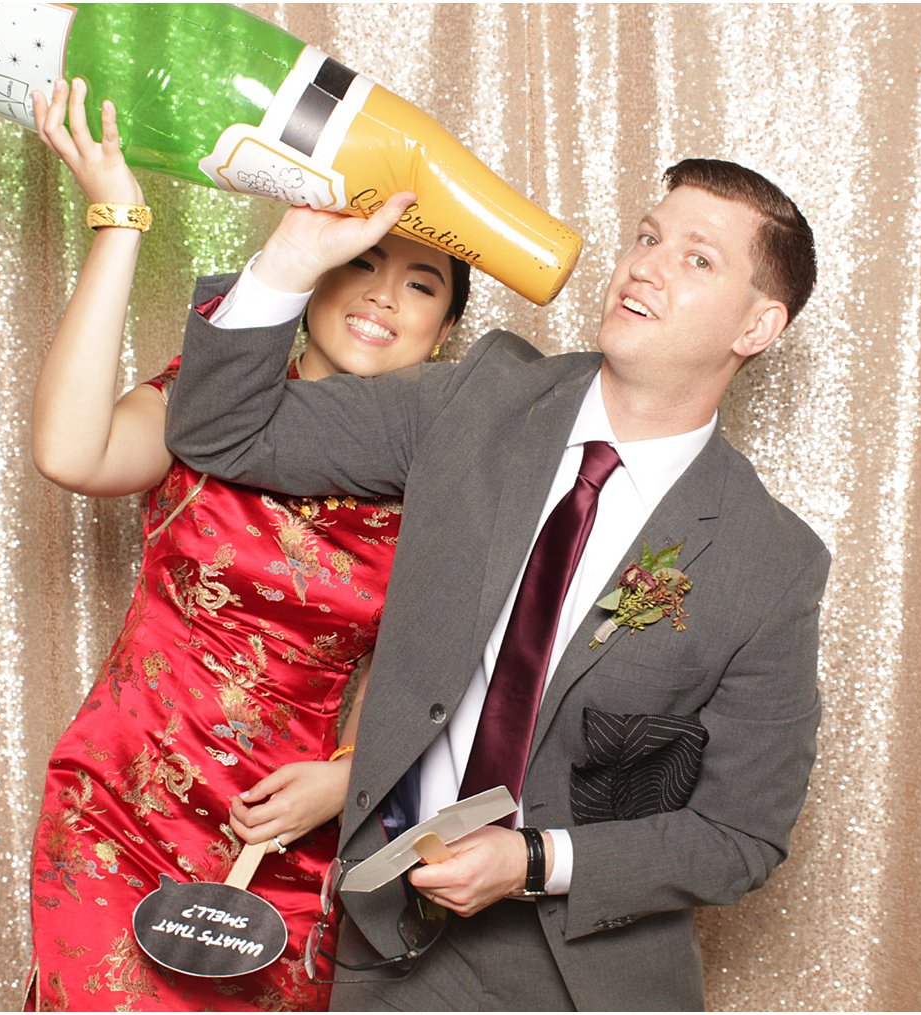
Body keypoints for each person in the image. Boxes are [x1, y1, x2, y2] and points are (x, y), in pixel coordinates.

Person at [163, 157, 827, 1011]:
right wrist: (288, 260)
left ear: (757, 326)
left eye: (697, 259)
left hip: (583, 981)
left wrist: (539, 859)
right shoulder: (477, 401)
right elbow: (221, 431)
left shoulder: (769, 561)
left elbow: (741, 836)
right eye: (647, 237)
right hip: (389, 951)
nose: (646, 265)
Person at [22, 79, 469, 1012]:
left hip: (285, 834)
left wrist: (345, 781)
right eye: (365, 261)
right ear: (316, 269)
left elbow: (460, 680)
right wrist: (119, 226)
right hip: (126, 801)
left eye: (421, 283)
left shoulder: (452, 478)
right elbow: (73, 450)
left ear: (445, 333)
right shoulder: (206, 400)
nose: (384, 296)